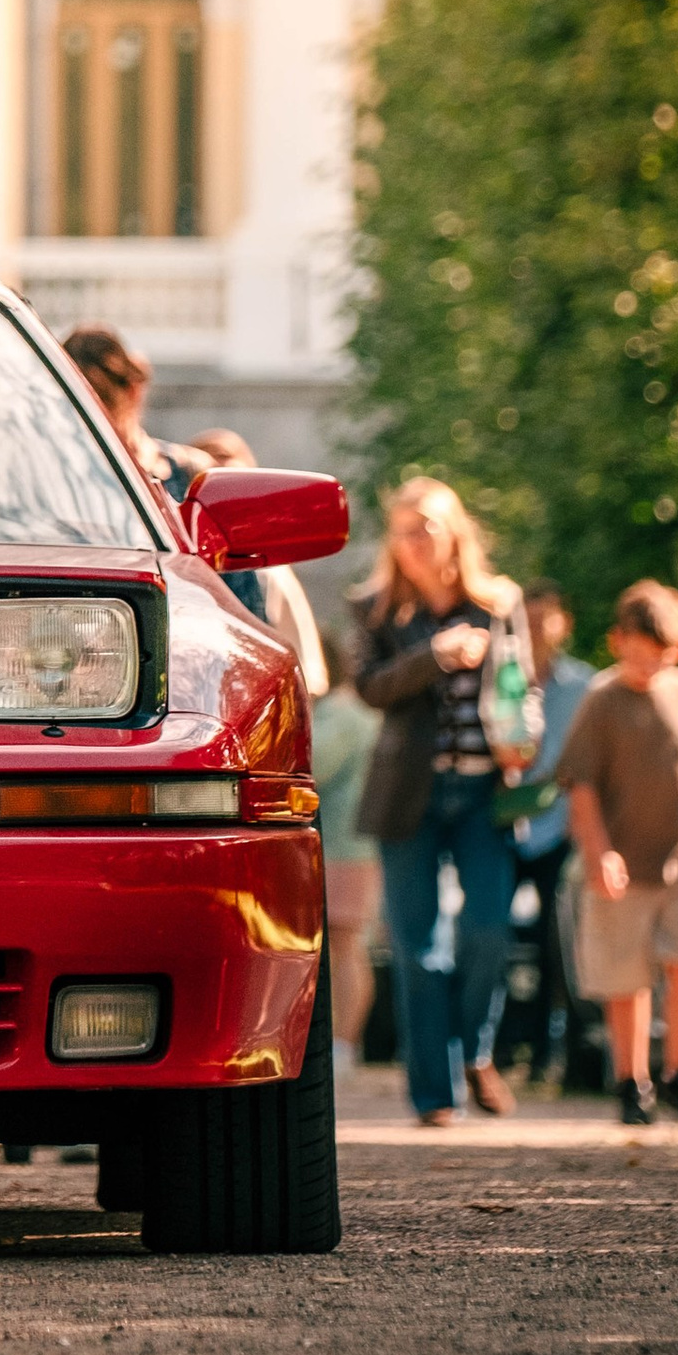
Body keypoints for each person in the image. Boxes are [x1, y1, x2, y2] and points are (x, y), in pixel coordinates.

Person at [350, 477, 536, 1126]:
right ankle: (436, 1093)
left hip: (487, 790)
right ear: (392, 543)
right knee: (417, 944)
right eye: (404, 529)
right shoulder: (374, 609)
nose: (416, 540)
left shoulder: (499, 601)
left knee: (488, 930)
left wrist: (526, 730)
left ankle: (474, 1050)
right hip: (410, 795)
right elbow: (369, 688)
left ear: (455, 529)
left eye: (427, 525)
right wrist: (433, 655)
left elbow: (522, 683)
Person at [556, 578, 678, 1129]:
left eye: (663, 652)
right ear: (617, 641)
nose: (650, 663)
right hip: (623, 863)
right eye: (639, 650)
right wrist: (600, 853)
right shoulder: (602, 701)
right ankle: (633, 1081)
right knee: (626, 975)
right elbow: (580, 786)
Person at [492, 582, 591, 1087]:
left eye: (545, 617)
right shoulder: (500, 674)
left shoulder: (584, 686)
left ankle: (556, 1055)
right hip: (503, 824)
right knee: (497, 938)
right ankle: (500, 1048)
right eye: (527, 618)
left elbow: (590, 764)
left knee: (560, 941)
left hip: (560, 828)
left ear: (563, 622)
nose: (536, 628)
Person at [178, 426, 329, 692]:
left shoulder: (268, 570)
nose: (214, 467)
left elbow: (304, 673)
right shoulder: (173, 563)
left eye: (224, 461)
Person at [309, 627, 382, 1071]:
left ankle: (344, 1044)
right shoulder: (356, 710)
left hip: (343, 845)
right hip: (355, 844)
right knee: (348, 944)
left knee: (345, 944)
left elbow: (313, 767)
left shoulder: (339, 713)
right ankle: (345, 1043)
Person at [61, 326, 199, 500]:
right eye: (70, 405)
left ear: (133, 390)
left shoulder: (189, 473)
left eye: (103, 401)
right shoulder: (54, 472)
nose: (87, 419)